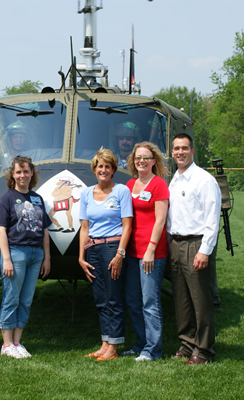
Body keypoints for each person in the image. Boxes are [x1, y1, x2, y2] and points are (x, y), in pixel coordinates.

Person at [167, 134, 221, 365]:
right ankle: (187, 343)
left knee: (201, 301)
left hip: (196, 243)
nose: (180, 152)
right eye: (176, 148)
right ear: (172, 152)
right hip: (176, 243)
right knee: (182, 300)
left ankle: (204, 350)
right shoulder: (175, 179)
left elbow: (212, 219)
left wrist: (204, 251)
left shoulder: (204, 180)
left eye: (184, 148)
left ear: (192, 150)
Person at [0, 155, 51, 358]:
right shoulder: (6, 198)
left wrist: (47, 257)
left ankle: (17, 342)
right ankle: (6, 344)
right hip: (15, 252)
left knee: (25, 300)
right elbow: (1, 230)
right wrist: (6, 259)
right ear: (13, 174)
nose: (22, 175)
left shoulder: (37, 199)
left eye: (26, 171)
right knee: (11, 298)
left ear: (32, 173)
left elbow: (44, 230)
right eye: (18, 172)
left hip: (35, 254)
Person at [78, 148, 132, 362]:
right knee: (100, 299)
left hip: (113, 248)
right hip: (92, 249)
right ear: (94, 169)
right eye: (100, 166)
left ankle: (114, 346)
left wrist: (120, 254)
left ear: (113, 170)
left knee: (113, 298)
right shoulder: (86, 193)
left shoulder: (121, 191)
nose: (103, 170)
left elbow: (127, 225)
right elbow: (84, 227)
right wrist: (81, 256)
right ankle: (105, 343)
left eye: (107, 166)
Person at [123, 142, 170, 361]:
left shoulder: (158, 184)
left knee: (150, 302)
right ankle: (141, 343)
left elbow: (160, 220)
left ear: (153, 161)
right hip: (132, 252)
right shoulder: (130, 184)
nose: (141, 161)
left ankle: (153, 350)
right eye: (138, 157)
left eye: (146, 158)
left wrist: (150, 249)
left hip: (151, 253)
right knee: (133, 300)